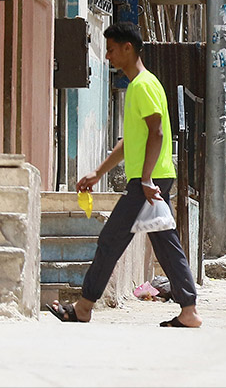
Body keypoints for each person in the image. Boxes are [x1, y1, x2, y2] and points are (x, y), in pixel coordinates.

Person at [48, 22, 201, 327]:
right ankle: (188, 310)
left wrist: (145, 179)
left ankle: (84, 307)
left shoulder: (142, 86)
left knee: (111, 240)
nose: (108, 56)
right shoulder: (143, 85)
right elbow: (129, 143)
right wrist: (97, 172)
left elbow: (156, 133)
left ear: (128, 48)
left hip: (149, 180)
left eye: (111, 49)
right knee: (164, 243)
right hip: (153, 177)